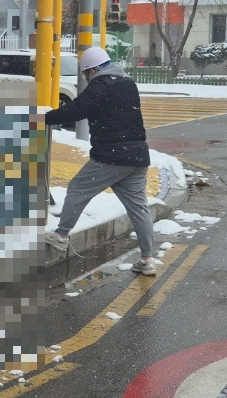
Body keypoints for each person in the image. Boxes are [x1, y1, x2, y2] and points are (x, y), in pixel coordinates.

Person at [43, 46, 158, 276]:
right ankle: (146, 259)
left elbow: (75, 111)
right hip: (137, 156)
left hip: (112, 156)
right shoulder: (127, 82)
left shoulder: (101, 85)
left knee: (77, 189)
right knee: (138, 209)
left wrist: (43, 118)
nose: (86, 78)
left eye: (86, 73)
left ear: (93, 70)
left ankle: (61, 236)